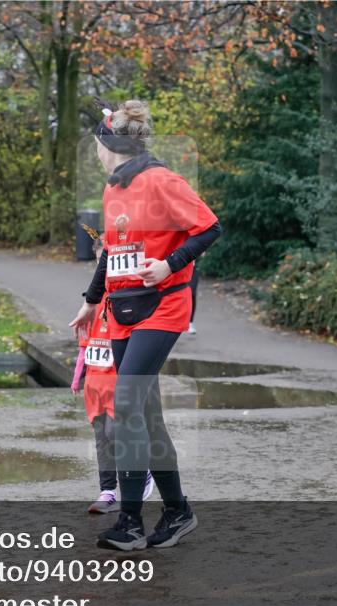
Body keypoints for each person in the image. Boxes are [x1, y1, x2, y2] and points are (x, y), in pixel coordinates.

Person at [69, 99, 222, 550]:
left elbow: (210, 228)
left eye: (96, 144)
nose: (95, 152)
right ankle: (178, 511)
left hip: (163, 307)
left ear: (108, 142)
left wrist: (170, 263)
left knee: (127, 404)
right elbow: (114, 254)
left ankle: (131, 523)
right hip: (121, 310)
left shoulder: (161, 180)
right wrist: (90, 302)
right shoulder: (113, 190)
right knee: (147, 417)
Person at [71, 291, 154, 514]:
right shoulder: (90, 307)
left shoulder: (126, 304)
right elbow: (84, 347)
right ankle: (107, 491)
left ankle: (141, 470)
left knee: (114, 432)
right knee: (101, 439)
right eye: (99, 261)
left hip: (117, 384)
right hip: (94, 385)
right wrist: (77, 377)